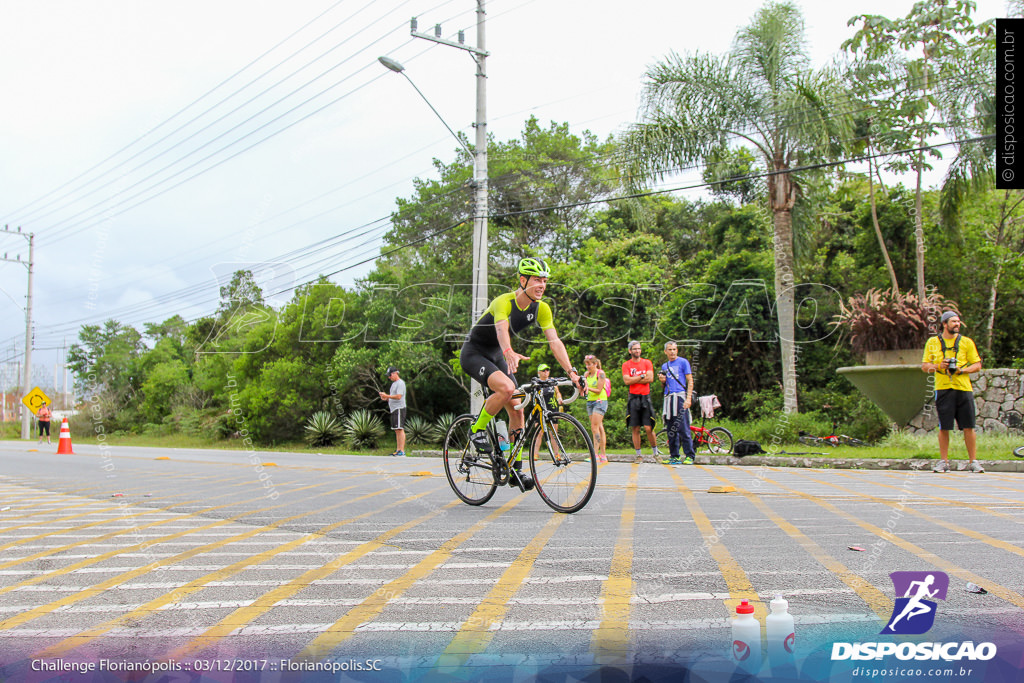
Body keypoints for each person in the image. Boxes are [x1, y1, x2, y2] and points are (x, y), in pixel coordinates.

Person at [459, 258, 584, 492]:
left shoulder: (541, 308)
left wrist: (572, 373)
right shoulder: (503, 302)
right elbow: (501, 329)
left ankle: (514, 468)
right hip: (474, 353)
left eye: (545, 281)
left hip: (497, 355)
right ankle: (476, 430)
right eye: (537, 280)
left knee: (518, 409)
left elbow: (555, 342)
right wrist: (508, 352)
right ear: (523, 279)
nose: (542, 285)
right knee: (506, 389)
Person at [921, 311, 983, 473]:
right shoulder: (933, 342)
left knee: (969, 426)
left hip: (963, 388)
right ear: (944, 324)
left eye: (958, 321)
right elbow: (925, 366)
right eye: (954, 322)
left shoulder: (966, 342)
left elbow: (977, 364)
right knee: (944, 426)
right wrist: (939, 366)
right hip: (943, 389)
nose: (957, 324)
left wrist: (962, 370)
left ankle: (973, 461)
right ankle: (943, 461)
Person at [658, 341, 695, 465]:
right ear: (665, 352)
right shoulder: (665, 366)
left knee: (683, 427)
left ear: (677, 350)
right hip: (669, 397)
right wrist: (662, 380)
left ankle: (689, 454)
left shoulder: (683, 362)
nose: (672, 352)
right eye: (670, 349)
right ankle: (674, 455)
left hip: (680, 396)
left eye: (674, 349)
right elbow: (665, 384)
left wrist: (688, 398)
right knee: (671, 428)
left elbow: (690, 381)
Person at [622, 340, 659, 463]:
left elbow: (650, 378)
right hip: (633, 397)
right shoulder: (626, 365)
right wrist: (642, 377)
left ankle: (656, 452)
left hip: (645, 397)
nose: (637, 351)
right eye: (635, 349)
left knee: (649, 427)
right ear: (630, 351)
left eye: (639, 349)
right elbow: (627, 381)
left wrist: (635, 379)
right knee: (635, 428)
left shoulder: (647, 362)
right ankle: (638, 455)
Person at [583, 355, 608, 463]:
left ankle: (595, 454)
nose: (587, 366)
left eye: (589, 364)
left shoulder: (600, 374)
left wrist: (587, 388)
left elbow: (599, 389)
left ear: (595, 364)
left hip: (599, 401)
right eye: (586, 364)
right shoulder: (586, 374)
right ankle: (603, 454)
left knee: (594, 428)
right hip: (590, 402)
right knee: (599, 427)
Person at [378, 367, 406, 457]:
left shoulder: (400, 383)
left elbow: (398, 396)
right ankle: (398, 450)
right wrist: (385, 398)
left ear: (395, 373)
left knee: (400, 428)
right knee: (396, 430)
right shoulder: (394, 384)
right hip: (393, 408)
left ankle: (402, 450)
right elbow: (392, 397)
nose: (389, 377)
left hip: (399, 408)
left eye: (390, 375)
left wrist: (387, 395)